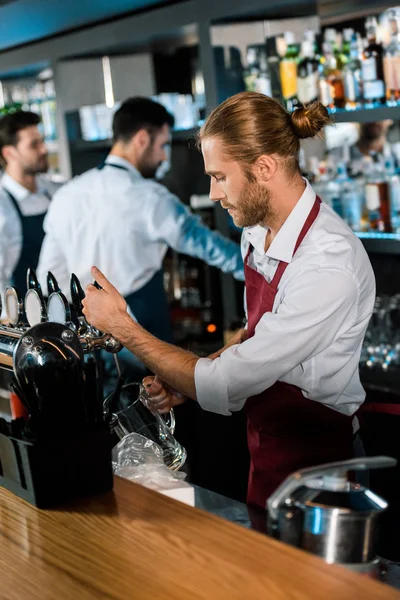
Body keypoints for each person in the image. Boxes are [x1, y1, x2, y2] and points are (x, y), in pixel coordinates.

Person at [81, 92, 376, 509]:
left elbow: (227, 384)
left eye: (220, 176)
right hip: (267, 452)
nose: (214, 193)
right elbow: (254, 336)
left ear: (265, 167)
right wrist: (187, 380)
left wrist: (122, 327)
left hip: (322, 470)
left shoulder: (328, 263)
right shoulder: (256, 232)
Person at [37, 97, 243, 384]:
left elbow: (48, 277)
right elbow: (217, 251)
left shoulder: (67, 194)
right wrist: (264, 273)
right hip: (141, 334)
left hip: (83, 340)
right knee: (156, 415)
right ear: (143, 139)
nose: (163, 158)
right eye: (163, 145)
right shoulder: (151, 198)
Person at [0, 111, 60, 312]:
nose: (44, 149)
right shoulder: (2, 206)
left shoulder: (56, 192)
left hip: (67, 308)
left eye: (42, 142)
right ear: (9, 153)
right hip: (25, 319)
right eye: (34, 145)